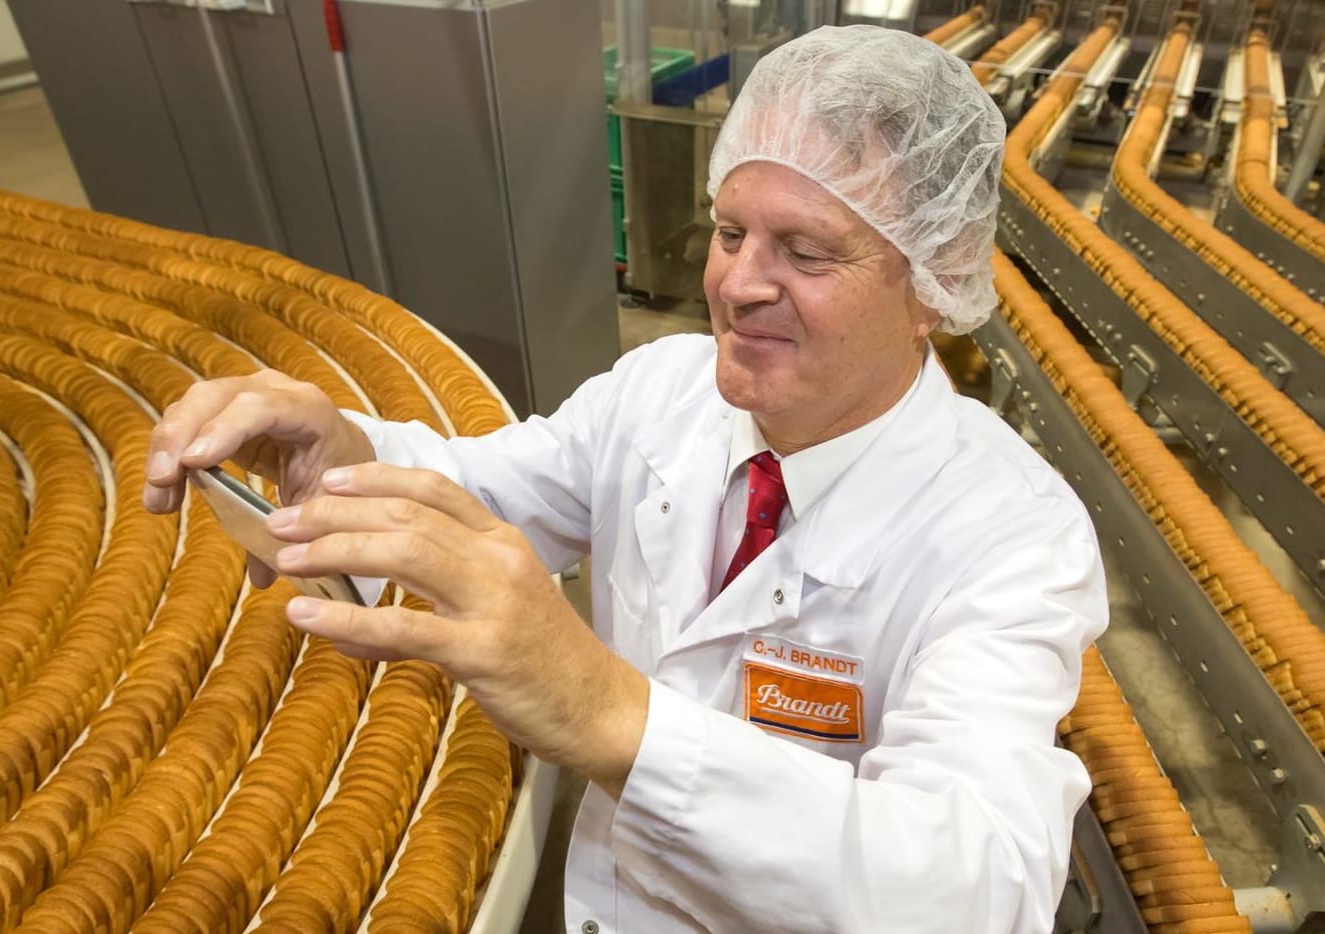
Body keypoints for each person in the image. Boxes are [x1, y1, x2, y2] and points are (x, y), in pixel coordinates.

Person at [144, 25, 1107, 934]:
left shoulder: (1009, 537)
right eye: (731, 234)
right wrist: (341, 452)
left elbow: (974, 888)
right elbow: (492, 490)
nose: (737, 285)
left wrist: (610, 715)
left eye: (804, 252)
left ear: (930, 288)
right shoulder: (663, 390)